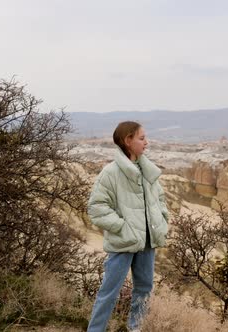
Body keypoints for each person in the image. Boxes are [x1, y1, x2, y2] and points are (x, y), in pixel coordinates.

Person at [86, 121, 169, 332]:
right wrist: (124, 228)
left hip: (148, 242)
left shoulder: (147, 170)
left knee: (144, 289)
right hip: (124, 242)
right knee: (109, 292)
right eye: (142, 138)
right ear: (127, 141)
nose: (146, 143)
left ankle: (136, 329)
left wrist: (161, 221)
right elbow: (96, 208)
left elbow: (160, 199)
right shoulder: (110, 172)